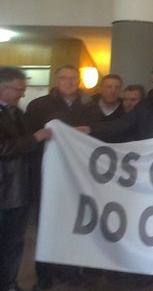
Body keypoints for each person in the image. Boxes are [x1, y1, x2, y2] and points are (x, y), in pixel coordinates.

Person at [24, 65, 91, 290]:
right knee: (46, 225)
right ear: (56, 80)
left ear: (78, 81)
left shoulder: (87, 106)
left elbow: (96, 134)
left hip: (77, 176)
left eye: (73, 78)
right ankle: (44, 275)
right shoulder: (39, 105)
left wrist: (89, 130)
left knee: (73, 225)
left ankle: (70, 272)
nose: (68, 82)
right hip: (47, 176)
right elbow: (29, 138)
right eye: (64, 78)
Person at [0, 67, 52, 291]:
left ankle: (10, 283)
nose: (22, 94)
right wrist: (36, 138)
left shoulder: (17, 112)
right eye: (18, 89)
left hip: (20, 188)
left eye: (23, 89)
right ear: (2, 88)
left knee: (15, 242)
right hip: (4, 188)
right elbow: (3, 148)